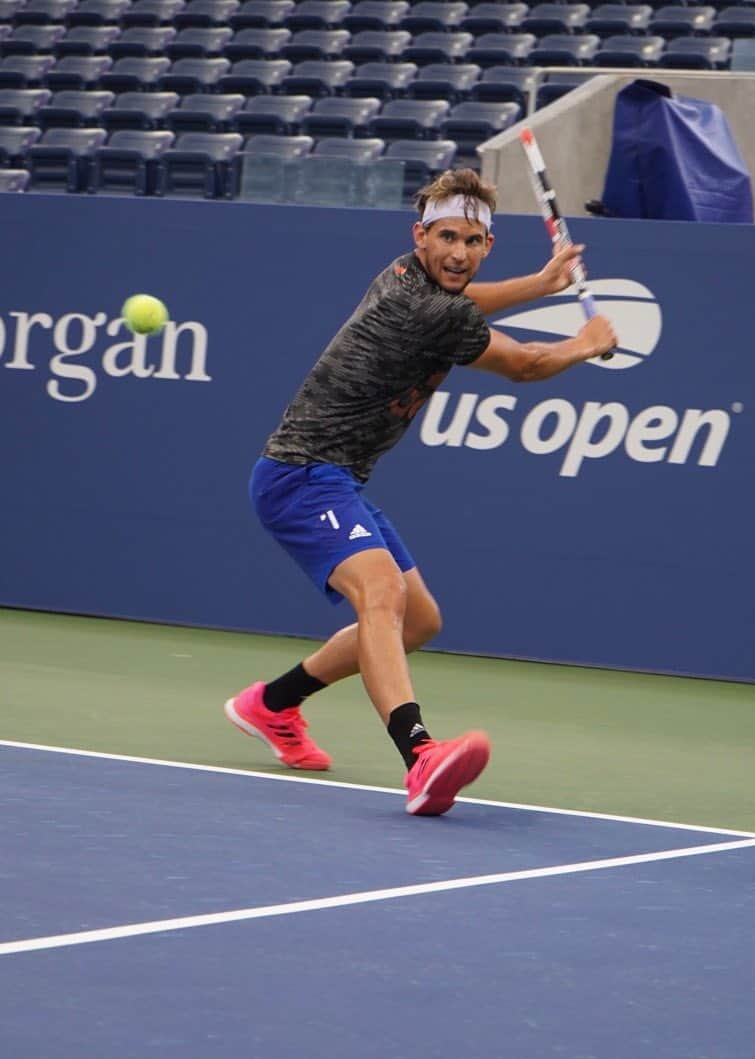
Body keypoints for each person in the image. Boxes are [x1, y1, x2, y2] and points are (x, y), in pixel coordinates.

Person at [225, 168, 618, 817]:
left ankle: (271, 704)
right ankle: (419, 755)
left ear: (486, 244)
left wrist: (541, 284)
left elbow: (470, 301)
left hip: (338, 478)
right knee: (382, 594)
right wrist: (587, 343)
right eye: (444, 238)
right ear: (420, 235)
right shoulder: (429, 310)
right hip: (300, 475)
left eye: (471, 240)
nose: (458, 253)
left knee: (419, 620)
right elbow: (524, 365)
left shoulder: (405, 273)